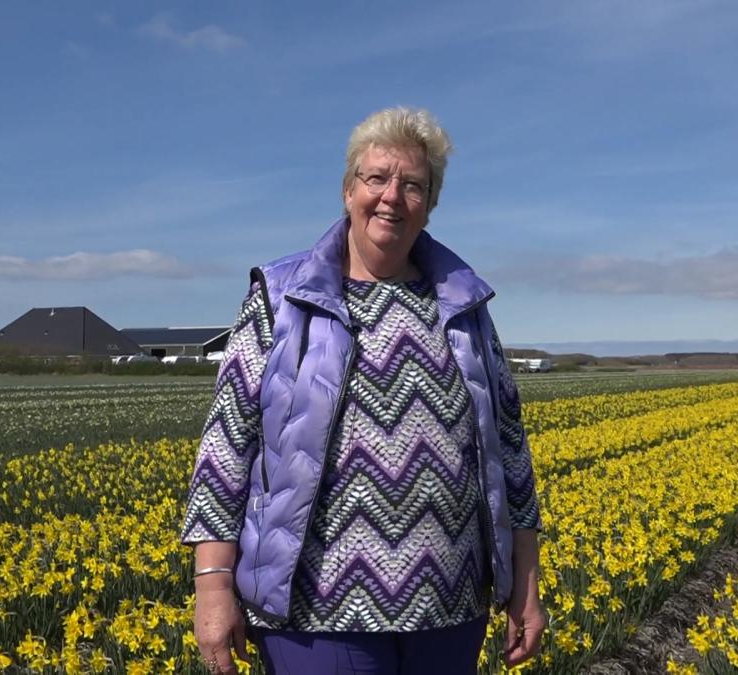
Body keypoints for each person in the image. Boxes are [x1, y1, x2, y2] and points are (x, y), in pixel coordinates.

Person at [180, 106, 545, 675]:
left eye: (413, 185)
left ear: (430, 204)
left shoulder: (464, 306)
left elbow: (511, 452)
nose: (392, 196)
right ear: (349, 189)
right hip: (313, 615)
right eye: (376, 178)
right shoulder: (282, 297)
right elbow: (226, 447)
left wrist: (526, 583)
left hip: (450, 609)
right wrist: (212, 586)